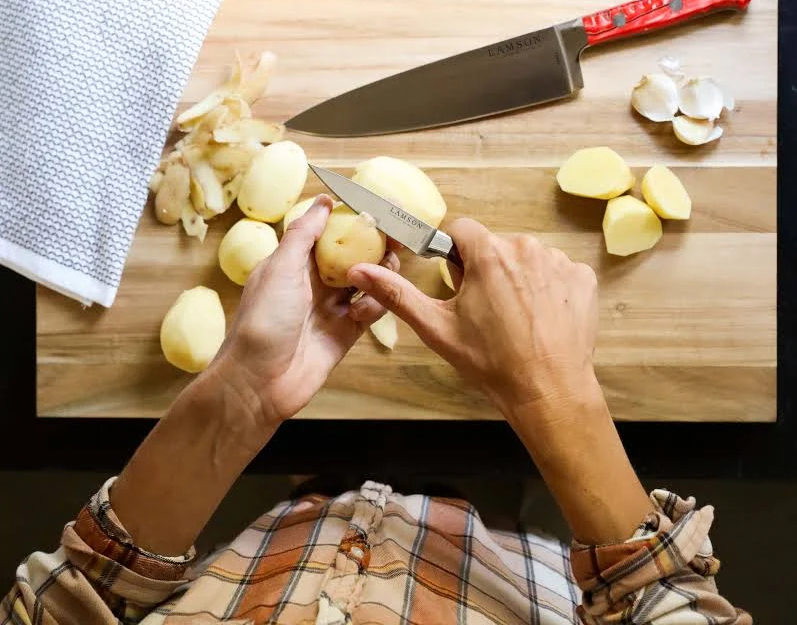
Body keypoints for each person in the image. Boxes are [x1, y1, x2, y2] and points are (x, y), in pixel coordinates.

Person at [2, 196, 748, 624]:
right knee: (481, 513)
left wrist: (242, 396)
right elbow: (673, 605)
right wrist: (551, 391)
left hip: (275, 543)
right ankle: (470, 506)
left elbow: (66, 607)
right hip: (514, 565)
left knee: (321, 503)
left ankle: (329, 498)